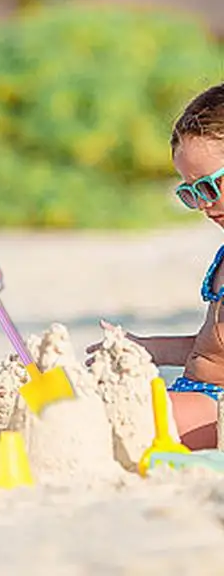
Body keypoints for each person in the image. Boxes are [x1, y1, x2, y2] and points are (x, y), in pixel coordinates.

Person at [87, 82, 224, 450]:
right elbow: (208, 349)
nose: (203, 205)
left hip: (217, 407)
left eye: (211, 187)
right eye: (190, 193)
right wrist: (145, 347)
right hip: (196, 391)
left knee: (110, 421)